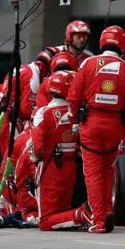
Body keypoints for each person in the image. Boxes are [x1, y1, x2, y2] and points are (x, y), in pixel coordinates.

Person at [67, 25, 125, 233]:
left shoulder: (87, 64)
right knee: (108, 170)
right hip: (115, 127)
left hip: (90, 124)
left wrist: (74, 121)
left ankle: (99, 220)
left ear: (102, 42)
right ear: (122, 45)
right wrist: (124, 126)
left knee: (92, 174)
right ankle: (108, 212)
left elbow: (73, 96)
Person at [30, 71, 92, 231]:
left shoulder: (44, 113)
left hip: (51, 168)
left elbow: (36, 149)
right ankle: (80, 216)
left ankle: (81, 214)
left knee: (45, 222)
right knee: (61, 212)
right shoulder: (77, 114)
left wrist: (35, 160)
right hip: (70, 168)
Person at [32, 51, 78, 116]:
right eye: (60, 72)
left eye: (67, 71)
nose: (63, 74)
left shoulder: (45, 84)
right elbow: (41, 111)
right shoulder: (45, 85)